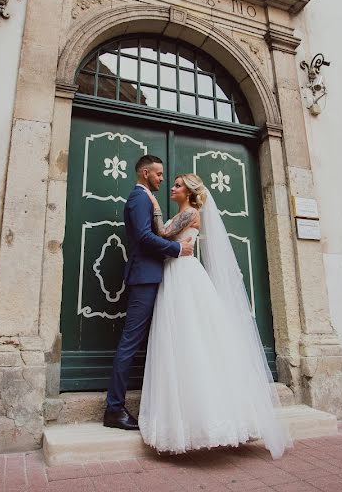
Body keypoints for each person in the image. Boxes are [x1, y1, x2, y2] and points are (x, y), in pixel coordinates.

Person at [139, 173, 291, 459]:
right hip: (175, 274)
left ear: (190, 191)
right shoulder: (184, 212)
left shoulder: (190, 214)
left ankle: (206, 420)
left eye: (178, 185)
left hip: (184, 276)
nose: (172, 187)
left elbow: (160, 233)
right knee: (181, 339)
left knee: (192, 337)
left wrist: (151, 202)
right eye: (172, 184)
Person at [103, 155, 194, 431]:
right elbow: (143, 236)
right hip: (144, 276)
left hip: (154, 276)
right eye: (158, 174)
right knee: (130, 341)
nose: (162, 179)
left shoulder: (145, 199)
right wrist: (178, 249)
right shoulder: (140, 198)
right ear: (145, 173)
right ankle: (114, 409)